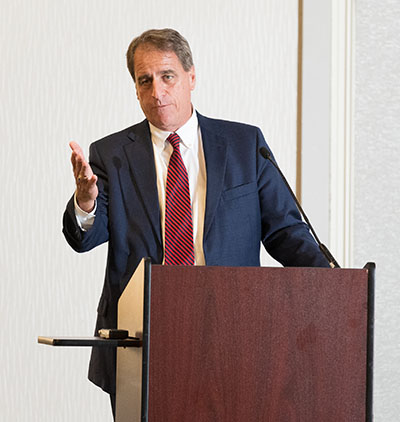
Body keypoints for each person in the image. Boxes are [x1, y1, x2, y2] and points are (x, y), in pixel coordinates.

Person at [63, 28, 330, 414]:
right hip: (144, 339)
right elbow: (86, 237)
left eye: (167, 76)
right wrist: (84, 201)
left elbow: (286, 232)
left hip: (233, 333)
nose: (157, 91)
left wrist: (336, 287)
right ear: (136, 90)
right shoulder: (112, 154)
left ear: (191, 77)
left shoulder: (243, 145)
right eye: (145, 80)